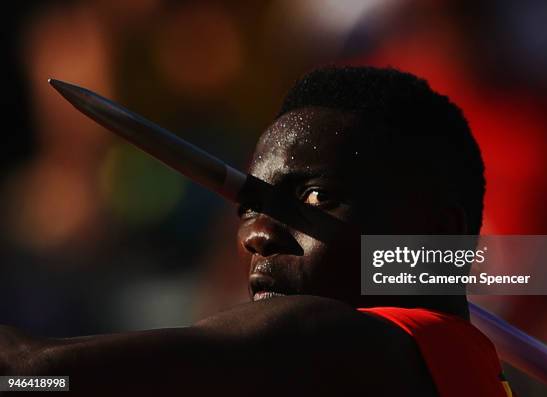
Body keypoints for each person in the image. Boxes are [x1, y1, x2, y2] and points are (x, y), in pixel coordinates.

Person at [1, 66, 511, 396]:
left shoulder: (353, 342)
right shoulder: (461, 366)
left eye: (315, 198)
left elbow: (35, 375)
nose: (258, 235)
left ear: (435, 235)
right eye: (250, 207)